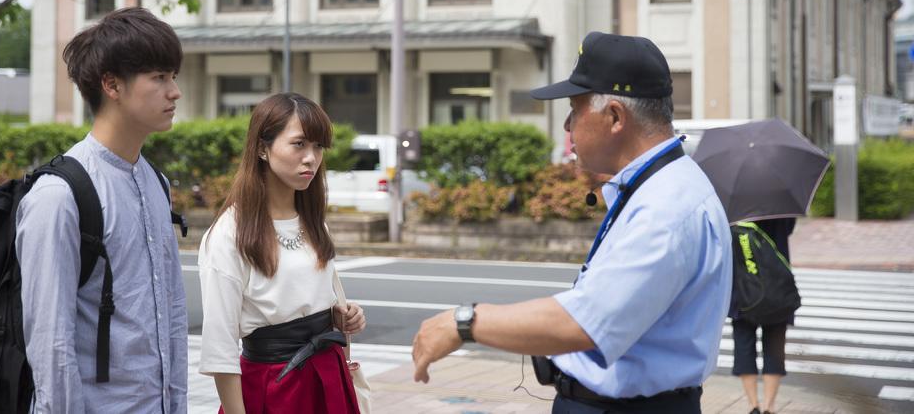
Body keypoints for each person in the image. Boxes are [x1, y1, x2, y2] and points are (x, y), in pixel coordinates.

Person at [412, 31, 733, 413]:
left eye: (575, 109)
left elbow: (582, 324)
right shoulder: (660, 186)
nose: (567, 126)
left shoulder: (666, 207)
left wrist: (463, 322)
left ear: (614, 116)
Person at [15, 7, 188, 412]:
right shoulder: (59, 196)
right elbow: (50, 343)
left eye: (173, 77)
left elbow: (173, 315)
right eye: (159, 77)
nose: (174, 91)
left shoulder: (156, 184)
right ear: (111, 84)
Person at [198, 92, 367, 414]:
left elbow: (312, 296)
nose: (311, 158)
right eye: (299, 144)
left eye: (318, 146)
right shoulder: (229, 234)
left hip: (329, 377)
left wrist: (343, 315)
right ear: (262, 148)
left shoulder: (314, 223)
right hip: (275, 386)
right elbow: (220, 348)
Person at [732, 217, 797, 414]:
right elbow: (788, 229)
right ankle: (769, 407)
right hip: (777, 287)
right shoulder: (780, 205)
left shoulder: (734, 208)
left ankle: (753, 406)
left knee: (744, 345)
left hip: (744, 287)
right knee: (775, 347)